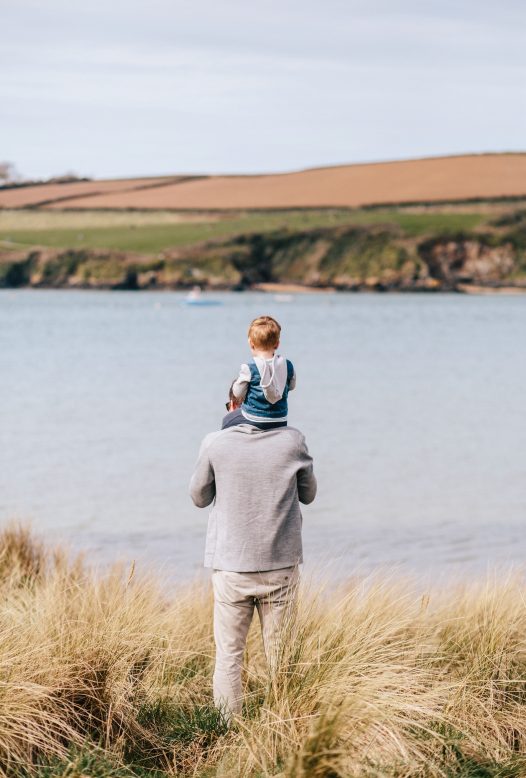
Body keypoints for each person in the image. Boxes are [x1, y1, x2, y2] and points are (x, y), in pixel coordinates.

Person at [189, 389, 316, 724]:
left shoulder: (215, 442)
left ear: (234, 404)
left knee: (229, 655)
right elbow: (309, 494)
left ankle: (228, 728)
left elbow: (199, 497)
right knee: (281, 656)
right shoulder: (293, 441)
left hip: (231, 566)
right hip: (280, 565)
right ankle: (284, 724)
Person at [232, 315, 296, 425]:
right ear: (277, 344)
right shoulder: (287, 364)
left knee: (232, 417)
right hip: (280, 418)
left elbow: (237, 393)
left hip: (253, 418)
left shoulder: (249, 368)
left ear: (251, 344)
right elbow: (292, 386)